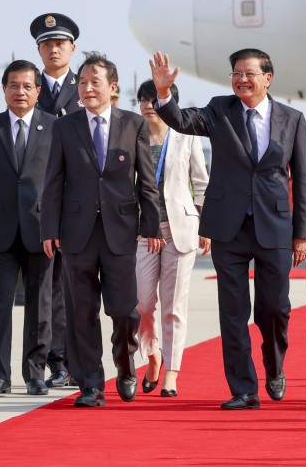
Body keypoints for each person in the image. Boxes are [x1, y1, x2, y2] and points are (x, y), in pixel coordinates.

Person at [150, 48, 306, 410]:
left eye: (249, 73)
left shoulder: (292, 119)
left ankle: (274, 365)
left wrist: (302, 234)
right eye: (236, 73)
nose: (241, 79)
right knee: (234, 312)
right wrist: (163, 93)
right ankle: (243, 389)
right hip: (228, 228)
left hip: (274, 227)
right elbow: (182, 120)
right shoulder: (219, 110)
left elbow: (302, 179)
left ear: (267, 78)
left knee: (275, 309)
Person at [41, 52, 160, 407]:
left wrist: (151, 226)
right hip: (75, 233)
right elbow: (53, 182)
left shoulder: (133, 124)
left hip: (121, 232)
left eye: (95, 82)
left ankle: (125, 364)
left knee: (124, 310)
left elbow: (146, 181)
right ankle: (90, 384)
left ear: (113, 86)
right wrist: (49, 228)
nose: (88, 88)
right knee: (81, 311)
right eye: (82, 82)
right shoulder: (65, 127)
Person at [0, 60, 57, 395]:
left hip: (41, 232)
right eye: (14, 85)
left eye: (27, 86)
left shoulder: (55, 127)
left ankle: (35, 374)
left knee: (40, 306)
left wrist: (58, 229)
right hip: (0, 233)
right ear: (4, 89)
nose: (20, 92)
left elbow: (62, 184)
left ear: (38, 91)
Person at [134, 80, 209, 398]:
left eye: (154, 99)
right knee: (142, 303)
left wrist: (206, 226)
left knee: (174, 306)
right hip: (142, 231)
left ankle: (171, 373)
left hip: (180, 228)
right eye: (142, 99)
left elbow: (201, 183)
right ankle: (152, 354)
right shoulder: (131, 135)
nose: (148, 105)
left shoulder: (186, 136)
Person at [30, 12, 82, 388]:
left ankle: (71, 360)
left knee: (74, 286)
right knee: (43, 288)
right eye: (47, 44)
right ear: (39, 50)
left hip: (76, 200)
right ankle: (51, 360)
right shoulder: (28, 87)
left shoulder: (86, 87)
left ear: (72, 49)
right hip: (36, 199)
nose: (54, 49)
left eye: (60, 43)